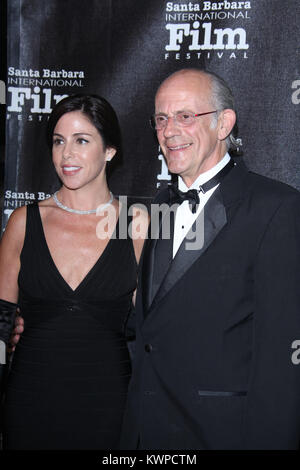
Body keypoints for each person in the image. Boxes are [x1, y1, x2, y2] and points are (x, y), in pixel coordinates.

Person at [120, 68, 300, 450]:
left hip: (221, 434)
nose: (169, 131)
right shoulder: (160, 206)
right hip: (145, 432)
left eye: (186, 116)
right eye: (161, 119)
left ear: (224, 124)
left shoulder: (276, 208)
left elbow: (281, 361)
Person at [0, 94, 147, 449]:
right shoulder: (24, 222)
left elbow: (151, 330)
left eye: (82, 141)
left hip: (110, 406)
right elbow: (1, 324)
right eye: (58, 141)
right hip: (28, 402)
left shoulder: (139, 223)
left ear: (109, 150)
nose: (66, 154)